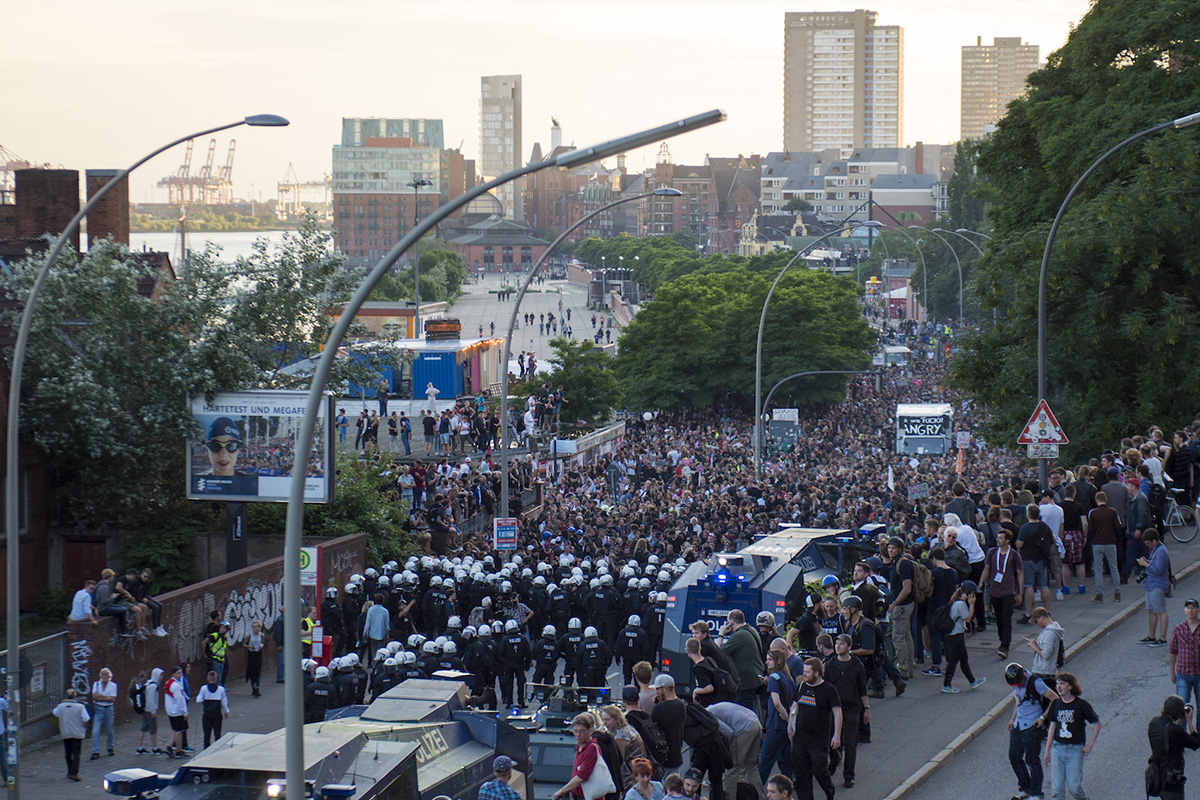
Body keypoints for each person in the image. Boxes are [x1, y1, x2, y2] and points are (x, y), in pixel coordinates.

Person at [1041, 672, 1101, 800]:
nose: (1059, 687)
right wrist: (1047, 751)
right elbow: (1052, 727)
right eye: (1057, 684)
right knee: (1057, 791)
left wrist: (1090, 745)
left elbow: (1097, 723)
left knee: (1074, 788)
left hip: (1074, 750)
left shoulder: (1081, 705)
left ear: (1071, 686)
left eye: (1062, 683)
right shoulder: (1056, 704)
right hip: (1057, 749)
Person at [788, 657, 841, 800]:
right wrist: (789, 727)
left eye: (807, 672)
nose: (804, 674)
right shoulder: (801, 687)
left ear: (817, 673)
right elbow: (794, 707)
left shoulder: (829, 690)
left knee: (819, 770)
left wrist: (836, 735)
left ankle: (830, 792)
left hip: (818, 740)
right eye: (804, 671)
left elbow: (837, 712)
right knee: (801, 775)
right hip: (800, 739)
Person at [1006, 662, 1058, 800]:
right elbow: (1019, 701)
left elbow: (1055, 699)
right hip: (1018, 724)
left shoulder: (1036, 683)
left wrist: (1042, 717)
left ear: (1023, 676)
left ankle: (1036, 793)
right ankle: (1025, 787)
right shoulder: (1017, 683)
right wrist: (1013, 718)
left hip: (1032, 726)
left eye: (1018, 683)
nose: (1017, 686)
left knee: (1031, 760)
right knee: (1014, 756)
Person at [823, 635, 868, 789]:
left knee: (850, 742)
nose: (838, 646)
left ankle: (849, 775)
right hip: (832, 708)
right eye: (836, 643)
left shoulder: (857, 665)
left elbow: (862, 687)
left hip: (851, 708)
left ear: (849, 647)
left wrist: (866, 708)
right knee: (830, 738)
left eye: (842, 644)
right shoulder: (829, 665)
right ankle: (835, 759)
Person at [708, 700, 767, 800]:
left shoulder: (709, 716)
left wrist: (729, 752)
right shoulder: (715, 707)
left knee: (731, 768)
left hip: (744, 728)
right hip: (756, 724)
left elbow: (729, 733)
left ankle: (728, 798)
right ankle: (762, 797)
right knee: (751, 766)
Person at [982, 529, 1025, 660]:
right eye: (998, 538)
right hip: (995, 590)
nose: (998, 540)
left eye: (1001, 538)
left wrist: (1020, 593)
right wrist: (981, 583)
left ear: (1007, 541)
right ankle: (1002, 639)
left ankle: (1005, 645)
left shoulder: (1014, 555)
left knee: (1006, 619)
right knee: (999, 618)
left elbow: (1020, 573)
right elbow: (987, 569)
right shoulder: (992, 552)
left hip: (1008, 591)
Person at [1148, 694, 1200, 800]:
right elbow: (1196, 743)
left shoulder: (1154, 723)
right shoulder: (1176, 731)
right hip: (1172, 780)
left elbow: (1168, 734)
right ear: (1179, 712)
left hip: (1156, 775)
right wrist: (1189, 721)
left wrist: (1179, 722)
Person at [942, 581, 986, 693]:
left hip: (955, 635)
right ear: (968, 593)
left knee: (964, 659)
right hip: (956, 636)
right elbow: (968, 618)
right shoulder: (961, 604)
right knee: (954, 661)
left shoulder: (955, 602)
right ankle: (946, 685)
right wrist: (972, 605)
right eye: (973, 593)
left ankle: (972, 681)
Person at [553, 713, 609, 800]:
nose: (578, 734)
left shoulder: (591, 748)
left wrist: (562, 791)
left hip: (589, 796)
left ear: (589, 731)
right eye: (575, 731)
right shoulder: (580, 746)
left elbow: (583, 775)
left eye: (582, 731)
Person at [758, 648, 795, 783]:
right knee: (785, 762)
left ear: (778, 661)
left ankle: (754, 793)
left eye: (769, 659)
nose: (766, 662)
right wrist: (790, 720)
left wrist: (785, 716)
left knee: (765, 762)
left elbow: (777, 703)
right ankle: (788, 789)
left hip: (775, 724)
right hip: (786, 726)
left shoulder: (774, 678)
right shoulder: (788, 677)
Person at [719, 609, 765, 714]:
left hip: (745, 683)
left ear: (731, 623)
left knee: (744, 712)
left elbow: (719, 652)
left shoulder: (739, 635)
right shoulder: (751, 630)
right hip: (755, 678)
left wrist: (721, 634)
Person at [884, 536, 916, 679]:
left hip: (902, 605)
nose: (890, 550)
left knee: (898, 638)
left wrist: (895, 603)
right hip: (906, 604)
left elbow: (906, 588)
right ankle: (909, 668)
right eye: (889, 547)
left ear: (900, 549)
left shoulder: (902, 564)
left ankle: (903, 670)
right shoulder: (898, 562)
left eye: (893, 548)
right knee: (906, 636)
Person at [1139, 529, 1172, 646]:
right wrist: (1147, 561)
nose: (1147, 545)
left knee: (1161, 611)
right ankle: (1151, 636)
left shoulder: (1161, 551)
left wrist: (1145, 564)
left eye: (1148, 543)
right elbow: (1155, 564)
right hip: (1150, 584)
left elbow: (1158, 569)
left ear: (1154, 541)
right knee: (1151, 611)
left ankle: (1162, 638)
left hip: (1157, 585)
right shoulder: (1156, 549)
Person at [1088, 491, 1121, 603]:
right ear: (1106, 500)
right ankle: (1117, 593)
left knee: (1098, 569)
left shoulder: (1093, 513)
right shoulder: (1112, 512)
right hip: (1110, 542)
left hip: (1097, 543)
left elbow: (1091, 529)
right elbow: (1118, 526)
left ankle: (1099, 594)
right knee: (1114, 568)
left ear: (1097, 500)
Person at [52, 688, 90, 781]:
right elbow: (86, 718)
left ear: (66, 696)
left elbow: (55, 713)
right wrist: (84, 727)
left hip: (65, 732)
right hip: (77, 732)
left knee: (68, 752)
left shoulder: (61, 706)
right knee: (76, 753)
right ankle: (74, 772)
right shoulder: (80, 707)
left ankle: (69, 771)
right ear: (75, 696)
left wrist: (62, 703)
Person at [650, 674, 686, 770]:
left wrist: (657, 704)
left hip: (663, 758)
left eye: (658, 689)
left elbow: (651, 728)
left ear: (665, 689)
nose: (656, 691)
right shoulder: (681, 705)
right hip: (676, 755)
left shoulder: (658, 709)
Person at [1172, 599, 1200, 709]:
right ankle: (1181, 727)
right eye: (1188, 608)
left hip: (1199, 672)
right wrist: (1172, 672)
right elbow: (1173, 651)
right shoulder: (1178, 629)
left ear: (1198, 610)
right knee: (1181, 707)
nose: (1191, 610)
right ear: (1184, 611)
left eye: (1193, 608)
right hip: (1183, 673)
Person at [1024, 606, 1065, 682]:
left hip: (1044, 672)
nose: (1036, 624)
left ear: (1042, 618)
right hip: (1046, 671)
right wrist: (1036, 644)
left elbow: (1046, 654)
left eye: (1036, 621)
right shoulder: (1051, 630)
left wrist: (1034, 646)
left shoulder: (1049, 633)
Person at [196, 670, 230, 748]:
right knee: (217, 733)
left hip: (207, 713)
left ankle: (206, 748)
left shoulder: (204, 688)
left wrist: (203, 701)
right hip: (217, 713)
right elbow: (224, 701)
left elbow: (198, 699)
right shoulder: (221, 689)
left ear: (208, 678)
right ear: (216, 678)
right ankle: (217, 748)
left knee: (207, 734)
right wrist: (226, 711)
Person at [133, 667, 163, 755]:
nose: (162, 677)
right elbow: (151, 700)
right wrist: (153, 712)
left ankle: (140, 747)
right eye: (161, 675)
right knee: (153, 729)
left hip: (145, 709)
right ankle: (155, 747)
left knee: (143, 728)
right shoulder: (153, 686)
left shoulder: (148, 683)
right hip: (149, 710)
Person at [90, 666, 117, 758]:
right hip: (98, 708)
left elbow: (112, 699)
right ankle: (95, 751)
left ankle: (110, 747)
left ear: (109, 676)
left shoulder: (113, 685)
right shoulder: (96, 684)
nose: (104, 676)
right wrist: (106, 697)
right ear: (100, 675)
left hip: (109, 709)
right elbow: (94, 697)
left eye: (106, 675)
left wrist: (100, 696)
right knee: (95, 731)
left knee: (109, 730)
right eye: (103, 674)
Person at [164, 665, 189, 759]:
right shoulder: (176, 686)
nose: (180, 674)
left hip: (170, 711)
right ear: (173, 674)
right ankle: (179, 751)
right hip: (177, 711)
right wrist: (185, 712)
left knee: (175, 730)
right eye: (178, 673)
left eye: (181, 673)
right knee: (179, 731)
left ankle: (169, 746)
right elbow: (180, 700)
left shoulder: (168, 683)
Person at [243, 619, 265, 696]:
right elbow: (244, 644)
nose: (255, 628)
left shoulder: (261, 635)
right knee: (252, 671)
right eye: (253, 627)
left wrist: (261, 645)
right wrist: (250, 646)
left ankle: (257, 687)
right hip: (251, 654)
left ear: (259, 627)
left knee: (258, 671)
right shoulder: (249, 635)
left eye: (256, 627)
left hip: (258, 653)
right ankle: (253, 687)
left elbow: (262, 642)